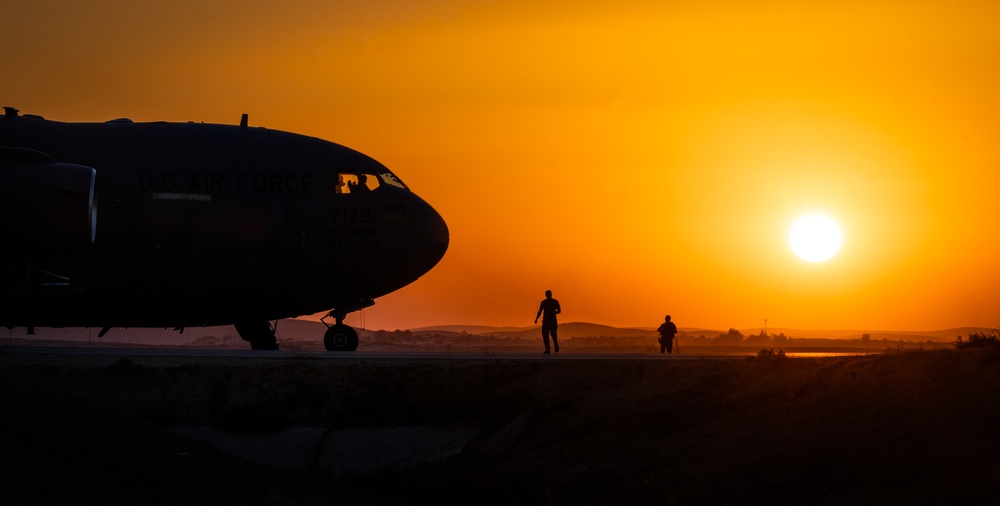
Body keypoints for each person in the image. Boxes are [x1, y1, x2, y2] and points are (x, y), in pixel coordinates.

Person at [534, 290, 562, 354]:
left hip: (552, 320)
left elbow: (559, 310)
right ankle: (548, 349)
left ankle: (556, 345)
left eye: (549, 294)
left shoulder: (555, 302)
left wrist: (553, 313)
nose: (548, 295)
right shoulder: (544, 302)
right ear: (546, 295)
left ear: (551, 294)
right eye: (547, 294)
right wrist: (536, 318)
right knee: (545, 335)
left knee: (553, 334)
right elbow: (540, 311)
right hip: (546, 321)